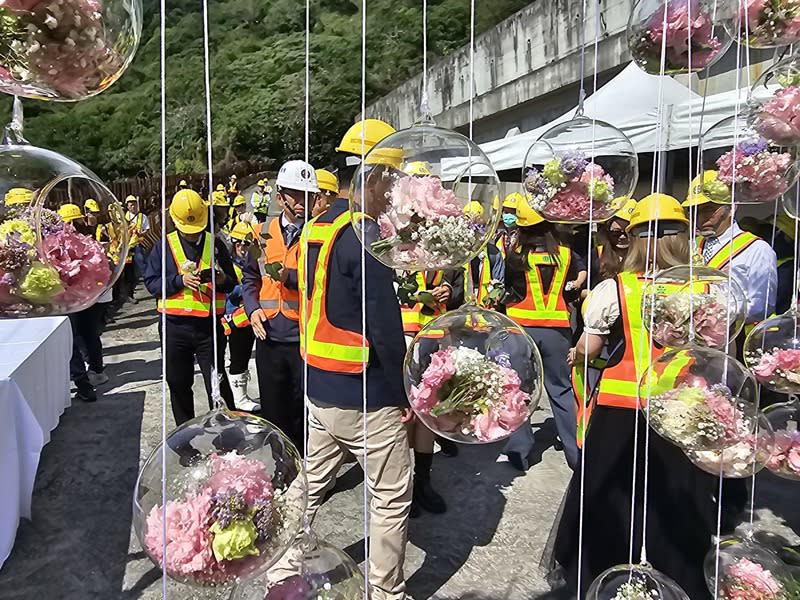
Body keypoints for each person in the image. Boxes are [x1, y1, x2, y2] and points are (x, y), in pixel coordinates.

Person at [555, 193, 720, 599]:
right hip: (683, 414)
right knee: (675, 507)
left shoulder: (617, 288)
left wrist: (576, 354)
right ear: (682, 237)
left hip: (621, 416)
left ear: (636, 239)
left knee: (611, 503)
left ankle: (605, 579)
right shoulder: (708, 287)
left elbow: (589, 351)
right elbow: (721, 357)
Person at [296, 144, 412, 600]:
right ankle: (386, 592)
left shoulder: (318, 227)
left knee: (309, 483)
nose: (397, 193)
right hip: (367, 392)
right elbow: (383, 323)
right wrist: (405, 391)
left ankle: (281, 563)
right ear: (378, 177)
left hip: (320, 382)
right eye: (395, 182)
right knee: (389, 497)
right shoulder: (365, 235)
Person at [503, 201, 585, 471]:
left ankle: (519, 450)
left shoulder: (515, 254)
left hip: (520, 329)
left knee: (519, 389)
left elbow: (508, 290)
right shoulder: (565, 254)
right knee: (560, 390)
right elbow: (571, 289)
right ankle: (575, 453)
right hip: (556, 330)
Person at [242, 160, 318, 448]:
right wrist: (253, 309)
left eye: (307, 196)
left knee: (304, 408)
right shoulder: (261, 233)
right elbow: (250, 278)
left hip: (303, 336)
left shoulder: (317, 235)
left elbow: (322, 281)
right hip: (270, 336)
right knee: (273, 408)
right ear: (279, 197)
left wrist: (291, 277)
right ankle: (280, 462)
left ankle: (305, 464)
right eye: (295, 195)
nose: (302, 202)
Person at [144, 189, 236, 425]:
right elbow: (152, 284)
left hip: (209, 327)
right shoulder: (162, 247)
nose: (193, 236)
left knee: (217, 383)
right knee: (178, 382)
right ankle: (185, 438)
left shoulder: (216, 244)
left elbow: (232, 284)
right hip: (175, 327)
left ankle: (227, 433)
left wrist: (222, 278)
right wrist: (178, 281)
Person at [572, 196, 637, 446]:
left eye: (627, 232)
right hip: (595, 335)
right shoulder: (596, 254)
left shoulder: (643, 259)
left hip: (625, 340)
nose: (621, 237)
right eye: (615, 232)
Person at [684, 170, 777, 326]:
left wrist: (713, 311)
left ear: (732, 207)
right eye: (695, 211)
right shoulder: (690, 247)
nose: (701, 218)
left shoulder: (757, 249)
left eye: (709, 210)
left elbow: (762, 306)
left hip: (735, 337)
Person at [222, 221, 259, 412]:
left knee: (243, 355)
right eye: (245, 245)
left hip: (248, 317)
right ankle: (240, 398)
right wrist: (247, 288)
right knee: (238, 357)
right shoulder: (231, 266)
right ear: (237, 244)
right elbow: (229, 291)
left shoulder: (245, 264)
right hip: (235, 319)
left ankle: (242, 395)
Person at [123, 195, 149, 303]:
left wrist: (140, 234)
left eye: (134, 204)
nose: (133, 206)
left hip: (137, 245)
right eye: (131, 204)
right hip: (127, 248)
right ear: (127, 206)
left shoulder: (142, 216)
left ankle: (150, 284)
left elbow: (147, 229)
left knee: (142, 264)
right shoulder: (124, 217)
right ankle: (129, 294)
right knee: (129, 271)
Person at [496, 192, 522, 259]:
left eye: (513, 212)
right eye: (506, 212)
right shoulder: (497, 231)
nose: (508, 216)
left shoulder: (524, 233)